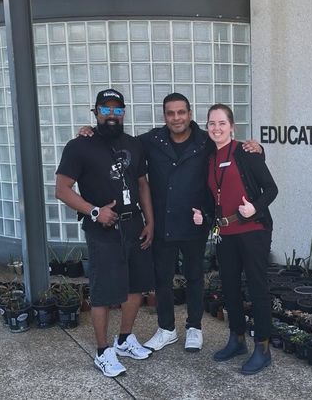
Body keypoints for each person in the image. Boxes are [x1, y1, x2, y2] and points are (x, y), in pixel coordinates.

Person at [78, 93, 261, 354]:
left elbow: (229, 145)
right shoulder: (151, 140)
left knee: (195, 276)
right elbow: (119, 144)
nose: (176, 118)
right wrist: (89, 132)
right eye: (171, 113)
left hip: (194, 221)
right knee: (162, 279)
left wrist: (255, 147)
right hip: (162, 221)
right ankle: (166, 329)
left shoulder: (204, 140)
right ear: (165, 116)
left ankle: (194, 328)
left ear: (189, 113)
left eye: (181, 112)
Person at [55, 88, 154, 377]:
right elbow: (61, 189)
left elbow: (143, 184)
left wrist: (151, 221)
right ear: (96, 112)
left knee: (135, 286)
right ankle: (103, 351)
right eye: (106, 109)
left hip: (134, 224)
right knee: (103, 292)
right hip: (102, 229)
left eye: (118, 110)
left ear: (124, 113)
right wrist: (95, 211)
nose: (112, 115)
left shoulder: (134, 145)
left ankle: (124, 340)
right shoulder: (79, 145)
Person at [193, 104, 278, 375]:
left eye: (221, 123)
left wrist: (255, 207)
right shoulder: (209, 157)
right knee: (229, 287)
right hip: (224, 232)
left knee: (257, 288)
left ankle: (262, 348)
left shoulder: (246, 152)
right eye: (211, 124)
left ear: (232, 126)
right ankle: (237, 339)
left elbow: (271, 189)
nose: (216, 128)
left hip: (253, 230)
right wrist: (203, 217)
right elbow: (213, 198)